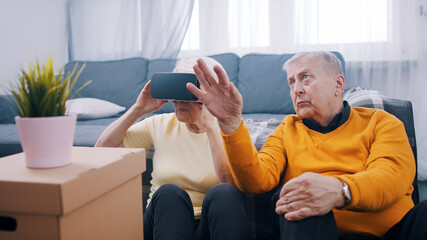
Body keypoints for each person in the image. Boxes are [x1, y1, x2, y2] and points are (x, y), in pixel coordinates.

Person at [187, 51, 427, 239]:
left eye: (305, 78)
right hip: (315, 230)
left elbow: (391, 176)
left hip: (392, 233)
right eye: (291, 82)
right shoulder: (286, 129)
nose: (297, 89)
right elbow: (256, 180)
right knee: (297, 198)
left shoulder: (381, 122)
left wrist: (339, 191)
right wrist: (230, 124)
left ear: (338, 84)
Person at [95, 57, 252, 240]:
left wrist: (210, 126)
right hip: (163, 223)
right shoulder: (159, 124)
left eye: (189, 91)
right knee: (169, 193)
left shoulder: (228, 131)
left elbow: (232, 188)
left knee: (224, 194)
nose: (179, 100)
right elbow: (102, 149)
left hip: (208, 226)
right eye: (177, 90)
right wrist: (138, 109)